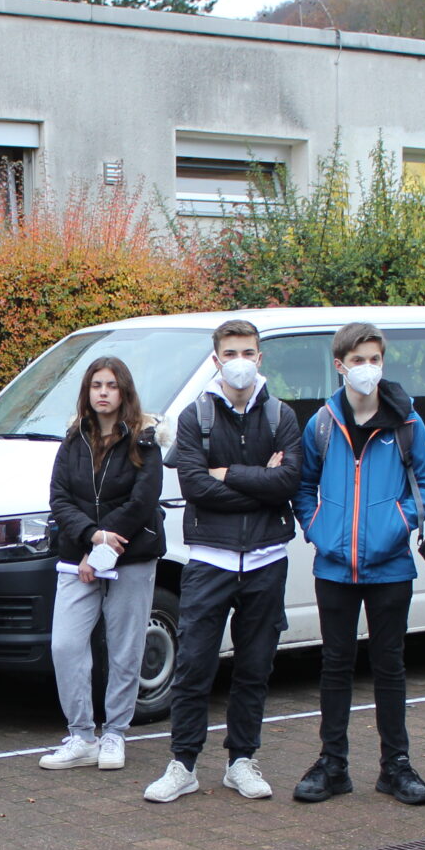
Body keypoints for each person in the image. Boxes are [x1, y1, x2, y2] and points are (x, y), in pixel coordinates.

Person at [144, 319, 303, 804]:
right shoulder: (196, 416)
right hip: (210, 559)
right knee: (193, 666)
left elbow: (288, 482)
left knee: (255, 668)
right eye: (230, 353)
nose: (240, 361)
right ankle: (183, 764)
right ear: (216, 359)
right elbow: (195, 486)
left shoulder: (281, 416)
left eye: (248, 352)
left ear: (260, 357)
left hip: (266, 559)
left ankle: (241, 761)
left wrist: (228, 473)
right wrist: (259, 483)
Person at [291, 322, 425, 807]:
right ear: (340, 365)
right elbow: (302, 486)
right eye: (358, 360)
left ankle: (395, 765)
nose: (368, 368)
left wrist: (397, 523)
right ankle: (332, 764)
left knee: (390, 666)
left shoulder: (407, 422)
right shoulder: (321, 423)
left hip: (390, 566)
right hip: (334, 568)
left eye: (375, 359)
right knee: (335, 666)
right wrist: (317, 529)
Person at [40, 356, 164, 771]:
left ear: (124, 391)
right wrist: (92, 537)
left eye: (111, 385)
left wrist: (103, 546)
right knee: (65, 645)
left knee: (125, 648)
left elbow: (142, 502)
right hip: (79, 554)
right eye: (96, 385)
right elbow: (59, 498)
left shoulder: (145, 440)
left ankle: (115, 734)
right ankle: (81, 736)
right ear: (87, 392)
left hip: (132, 555)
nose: (103, 393)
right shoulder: (73, 439)